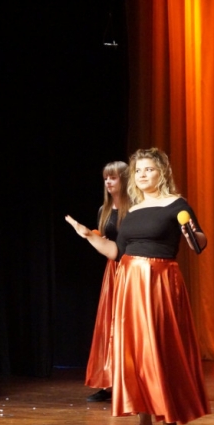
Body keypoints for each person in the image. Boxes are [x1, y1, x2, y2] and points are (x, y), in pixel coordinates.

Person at [66, 147, 210, 425]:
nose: (143, 175)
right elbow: (116, 252)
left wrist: (190, 232)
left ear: (162, 173)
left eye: (149, 169)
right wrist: (89, 236)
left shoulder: (176, 205)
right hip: (129, 281)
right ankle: (144, 421)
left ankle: (169, 420)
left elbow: (200, 242)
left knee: (160, 347)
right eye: (139, 170)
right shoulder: (131, 210)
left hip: (160, 281)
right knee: (133, 351)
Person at [85, 161, 130, 403]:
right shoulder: (103, 210)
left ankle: (129, 380)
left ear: (124, 179)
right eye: (106, 178)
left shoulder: (134, 208)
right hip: (112, 271)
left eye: (113, 177)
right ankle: (108, 382)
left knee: (127, 324)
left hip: (130, 269)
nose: (109, 182)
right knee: (108, 324)